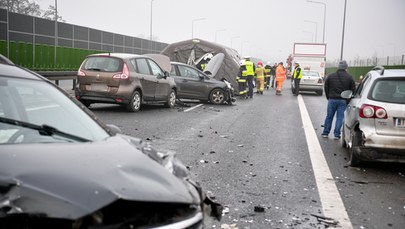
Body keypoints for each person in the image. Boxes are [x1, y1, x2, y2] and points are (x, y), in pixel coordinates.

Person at [321, 60, 356, 139]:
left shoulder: (331, 76)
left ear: (338, 67)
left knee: (329, 116)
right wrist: (348, 100)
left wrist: (328, 97)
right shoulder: (349, 77)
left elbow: (326, 87)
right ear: (346, 68)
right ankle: (337, 135)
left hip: (332, 99)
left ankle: (325, 133)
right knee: (340, 118)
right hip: (343, 100)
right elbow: (353, 90)